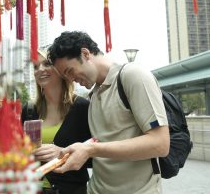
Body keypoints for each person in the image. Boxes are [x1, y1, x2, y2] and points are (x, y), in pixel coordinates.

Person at [47, 31, 170, 194]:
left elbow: (160, 144)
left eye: (70, 71)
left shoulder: (133, 76)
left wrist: (91, 150)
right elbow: (104, 140)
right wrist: (66, 152)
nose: (70, 79)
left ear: (85, 54)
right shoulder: (94, 95)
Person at [21, 49, 92, 194]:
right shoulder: (29, 110)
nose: (40, 69)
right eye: (35, 66)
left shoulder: (82, 107)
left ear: (60, 69)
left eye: (46, 64)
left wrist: (63, 154)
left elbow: (95, 156)